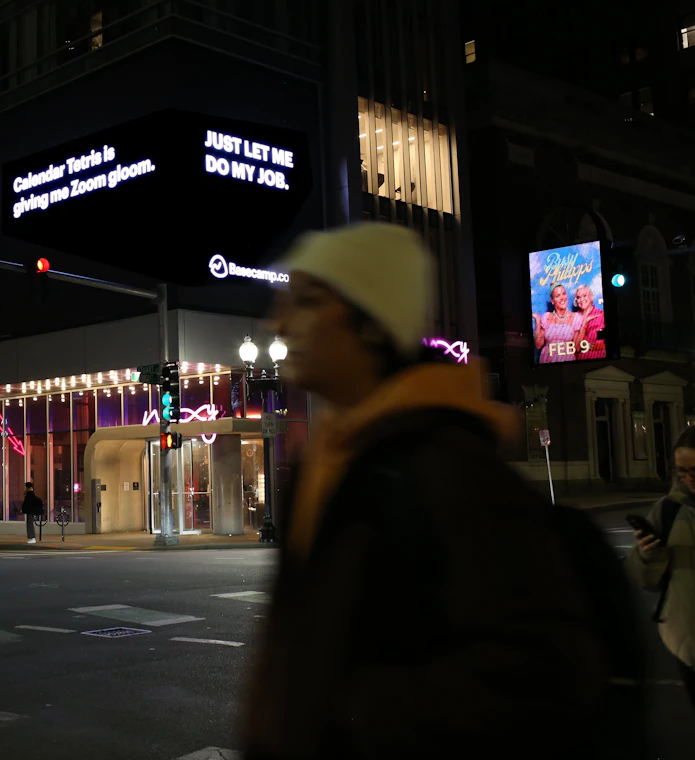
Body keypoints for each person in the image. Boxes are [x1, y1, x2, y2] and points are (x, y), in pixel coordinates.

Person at [241, 223, 608, 759]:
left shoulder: (449, 469)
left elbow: (542, 672)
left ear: (368, 325)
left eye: (307, 301)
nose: (280, 322)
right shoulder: (327, 461)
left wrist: (341, 718)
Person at [627, 424, 695, 758]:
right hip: (686, 644)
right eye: (682, 470)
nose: (689, 479)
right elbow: (647, 580)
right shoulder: (669, 509)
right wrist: (649, 557)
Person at [533, 283, 583, 363]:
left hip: (567, 361)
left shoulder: (576, 318)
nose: (562, 298)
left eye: (563, 294)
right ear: (552, 301)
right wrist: (538, 320)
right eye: (557, 296)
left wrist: (584, 323)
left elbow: (577, 347)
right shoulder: (546, 317)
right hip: (547, 361)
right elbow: (538, 345)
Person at [572, 284, 607, 361]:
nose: (582, 299)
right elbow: (574, 347)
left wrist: (598, 346)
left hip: (599, 359)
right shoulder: (573, 318)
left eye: (584, 296)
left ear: (591, 297)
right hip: (579, 361)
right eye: (578, 297)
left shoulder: (601, 315)